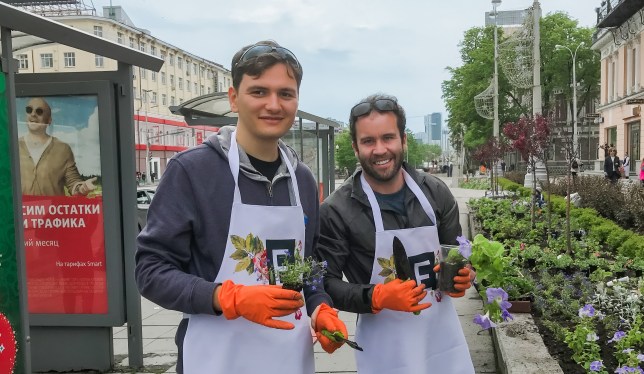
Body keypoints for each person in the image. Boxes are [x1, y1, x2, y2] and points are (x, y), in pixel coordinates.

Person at [135, 41, 347, 374]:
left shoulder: (302, 180)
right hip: (216, 359)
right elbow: (150, 271)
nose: (273, 105)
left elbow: (310, 266)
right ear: (234, 98)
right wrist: (226, 298)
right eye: (259, 91)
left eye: (286, 94)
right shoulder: (192, 171)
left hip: (289, 359)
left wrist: (321, 308)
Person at [315, 94, 474, 373]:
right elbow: (325, 284)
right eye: (368, 141)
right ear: (355, 147)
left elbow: (457, 252)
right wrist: (375, 296)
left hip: (442, 341)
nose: (379, 150)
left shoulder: (435, 193)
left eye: (388, 137)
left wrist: (464, 275)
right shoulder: (337, 210)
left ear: (403, 140)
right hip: (386, 349)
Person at [18, 97, 97, 196]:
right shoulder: (12, 147)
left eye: (39, 111)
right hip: (20, 211)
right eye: (29, 110)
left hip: (52, 210)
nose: (33, 114)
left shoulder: (63, 149)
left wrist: (82, 188)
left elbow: (73, 184)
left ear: (49, 120)